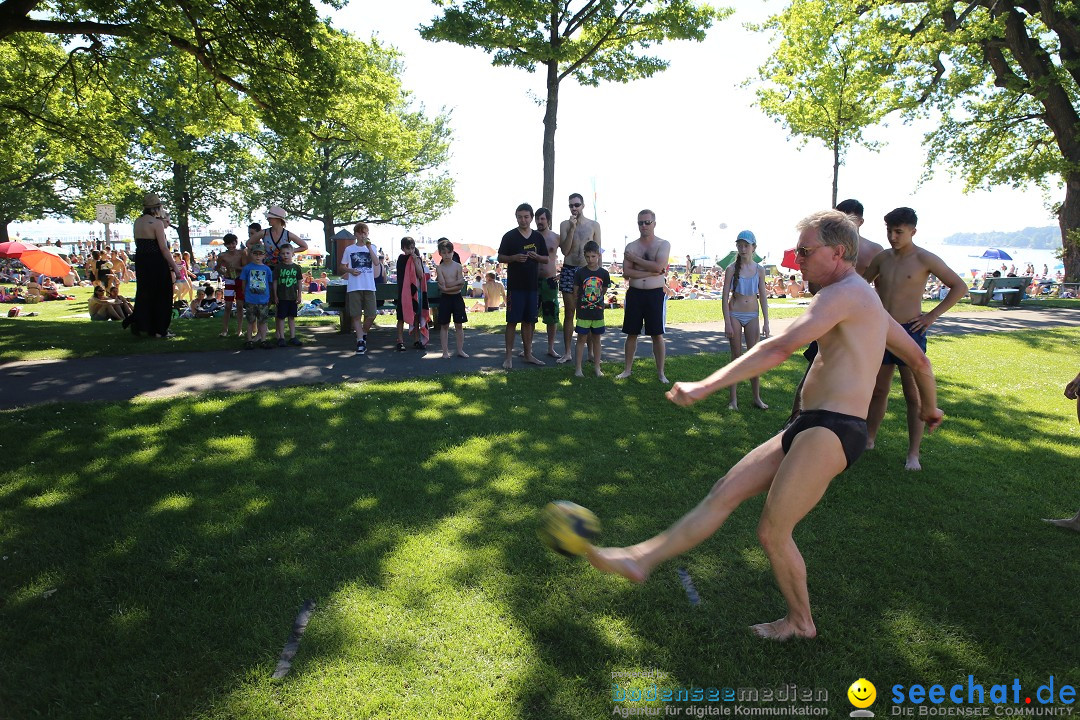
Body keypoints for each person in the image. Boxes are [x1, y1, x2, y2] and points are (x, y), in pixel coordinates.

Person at [588, 210, 944, 641]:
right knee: (725, 489)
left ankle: (801, 623)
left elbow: (780, 346)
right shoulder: (862, 298)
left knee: (773, 531)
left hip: (832, 429)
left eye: (806, 251)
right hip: (812, 423)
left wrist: (706, 385)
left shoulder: (841, 294)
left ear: (838, 252)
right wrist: (930, 407)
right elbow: (919, 359)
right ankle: (640, 559)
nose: (799, 259)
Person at [862, 207, 966, 470]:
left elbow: (959, 286)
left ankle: (913, 454)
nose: (893, 237)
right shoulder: (882, 259)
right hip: (882, 330)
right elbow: (861, 286)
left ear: (913, 231)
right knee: (878, 389)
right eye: (889, 231)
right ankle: (869, 438)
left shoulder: (925, 258)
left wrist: (931, 316)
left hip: (911, 331)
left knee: (913, 394)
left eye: (899, 232)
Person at [616, 209, 670, 383]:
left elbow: (659, 266)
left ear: (654, 223)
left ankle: (661, 373)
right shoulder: (631, 246)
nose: (644, 226)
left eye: (647, 222)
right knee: (631, 333)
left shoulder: (663, 244)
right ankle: (627, 369)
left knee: (657, 334)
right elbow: (627, 272)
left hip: (655, 294)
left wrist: (636, 261)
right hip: (635, 294)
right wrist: (652, 271)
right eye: (641, 223)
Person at [497, 203, 549, 369]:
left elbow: (546, 259)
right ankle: (508, 357)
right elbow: (500, 257)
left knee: (528, 321)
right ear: (516, 217)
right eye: (520, 217)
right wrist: (513, 258)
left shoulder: (537, 237)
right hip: (515, 286)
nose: (523, 220)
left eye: (526, 217)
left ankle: (528, 354)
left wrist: (537, 257)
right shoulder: (510, 236)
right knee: (512, 321)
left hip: (532, 286)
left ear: (531, 218)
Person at [722, 230, 770, 410]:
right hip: (735, 314)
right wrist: (727, 322)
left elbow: (763, 296)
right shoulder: (731, 269)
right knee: (736, 356)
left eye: (746, 245)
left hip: (752, 316)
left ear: (753, 247)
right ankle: (733, 399)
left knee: (753, 357)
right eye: (739, 245)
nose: (743, 249)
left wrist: (766, 320)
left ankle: (756, 397)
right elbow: (725, 297)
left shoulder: (759, 269)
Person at [124, 193, 181, 338]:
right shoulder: (157, 224)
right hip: (156, 261)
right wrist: (174, 267)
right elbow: (163, 248)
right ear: (157, 208)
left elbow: (138, 243)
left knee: (144, 293)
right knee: (162, 295)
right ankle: (160, 329)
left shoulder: (137, 222)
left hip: (142, 260)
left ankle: (143, 325)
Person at [557, 193, 602, 363]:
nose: (574, 208)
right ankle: (568, 352)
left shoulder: (594, 225)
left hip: (588, 271)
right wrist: (572, 228)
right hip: (569, 269)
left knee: (588, 313)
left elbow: (598, 250)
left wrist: (600, 274)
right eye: (571, 206)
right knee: (570, 311)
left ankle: (590, 353)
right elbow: (565, 251)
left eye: (577, 205)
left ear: (583, 205)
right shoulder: (564, 225)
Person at [340, 222, 379, 354]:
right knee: (356, 315)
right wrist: (350, 271)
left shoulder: (372, 247)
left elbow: (376, 262)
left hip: (369, 286)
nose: (363, 235)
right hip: (354, 286)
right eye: (360, 233)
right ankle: (360, 341)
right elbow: (342, 266)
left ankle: (363, 333)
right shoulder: (349, 249)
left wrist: (369, 248)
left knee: (371, 314)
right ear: (356, 234)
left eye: (365, 232)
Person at [573, 240, 610, 378]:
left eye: (593, 256)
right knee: (581, 338)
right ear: (584, 255)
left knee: (597, 339)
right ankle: (578, 368)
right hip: (583, 312)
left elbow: (604, 290)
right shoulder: (580, 273)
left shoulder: (604, 273)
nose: (590, 259)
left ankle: (597, 367)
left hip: (598, 312)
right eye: (587, 256)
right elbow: (576, 291)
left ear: (598, 256)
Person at [535, 207, 562, 359]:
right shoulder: (530, 236)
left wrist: (562, 273)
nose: (539, 221)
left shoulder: (556, 237)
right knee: (530, 315)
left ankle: (551, 348)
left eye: (542, 219)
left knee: (552, 317)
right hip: (533, 281)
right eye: (537, 219)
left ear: (549, 220)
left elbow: (570, 254)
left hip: (550, 281)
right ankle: (527, 346)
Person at [435, 239, 469, 359]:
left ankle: (460, 350)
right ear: (440, 253)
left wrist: (447, 287)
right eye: (444, 253)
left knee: (458, 324)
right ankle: (445, 352)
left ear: (453, 253)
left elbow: (459, 285)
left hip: (457, 298)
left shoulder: (458, 266)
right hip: (445, 299)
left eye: (449, 252)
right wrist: (455, 284)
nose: (447, 255)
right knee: (444, 325)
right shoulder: (440, 268)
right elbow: (444, 286)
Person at [833, 199, 885, 275]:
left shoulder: (874, 250)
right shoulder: (826, 248)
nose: (843, 224)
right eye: (839, 220)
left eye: (849, 221)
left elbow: (881, 284)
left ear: (860, 222)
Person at [395, 236, 427, 351]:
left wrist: (415, 260)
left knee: (417, 316)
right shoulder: (401, 259)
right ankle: (400, 340)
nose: (411, 251)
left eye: (412, 248)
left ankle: (416, 340)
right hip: (404, 293)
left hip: (415, 292)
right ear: (403, 248)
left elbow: (420, 275)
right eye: (408, 248)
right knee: (401, 317)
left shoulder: (417, 259)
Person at [239, 242, 273, 349]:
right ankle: (249, 340)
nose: (258, 256)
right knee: (250, 320)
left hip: (263, 300)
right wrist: (245, 294)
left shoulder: (267, 269)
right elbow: (243, 282)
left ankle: (263, 340)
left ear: (264, 255)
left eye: (260, 254)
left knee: (263, 321)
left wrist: (270, 297)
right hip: (251, 299)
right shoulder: (247, 268)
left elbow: (269, 283)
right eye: (255, 253)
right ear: (251, 254)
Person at [261, 206, 308, 271]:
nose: (267, 219)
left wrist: (289, 251)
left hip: (283, 270)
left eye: (270, 217)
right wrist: (260, 251)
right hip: (267, 269)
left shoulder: (287, 234)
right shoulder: (264, 233)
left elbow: (304, 246)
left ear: (278, 219)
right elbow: (249, 243)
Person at [274, 245, 303, 346]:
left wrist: (299, 295)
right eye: (283, 253)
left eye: (287, 253)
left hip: (292, 296)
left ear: (292, 254)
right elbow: (275, 282)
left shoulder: (296, 268)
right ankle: (281, 337)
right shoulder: (278, 268)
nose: (285, 255)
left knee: (291, 317)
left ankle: (293, 337)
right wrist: (275, 295)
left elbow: (299, 282)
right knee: (281, 317)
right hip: (281, 296)